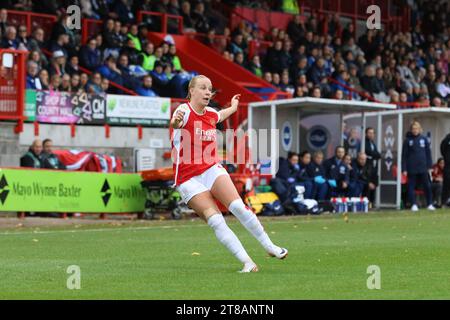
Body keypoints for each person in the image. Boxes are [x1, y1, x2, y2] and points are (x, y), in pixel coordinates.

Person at [171, 75, 287, 273]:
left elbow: (220, 115)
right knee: (216, 220)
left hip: (210, 168)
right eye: (203, 88)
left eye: (210, 89)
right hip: (188, 178)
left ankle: (269, 246)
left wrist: (233, 108)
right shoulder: (184, 110)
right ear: (191, 91)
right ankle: (247, 262)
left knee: (238, 207)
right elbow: (176, 122)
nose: (208, 92)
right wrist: (176, 121)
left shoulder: (210, 114)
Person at [401, 121, 435, 211]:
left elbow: (428, 154)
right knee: (411, 186)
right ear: (411, 130)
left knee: (427, 185)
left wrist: (429, 166)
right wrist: (404, 168)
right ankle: (413, 204)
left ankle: (430, 204)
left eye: (416, 128)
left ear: (420, 129)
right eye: (413, 129)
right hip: (412, 168)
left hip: (423, 167)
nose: (415, 130)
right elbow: (404, 156)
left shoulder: (424, 139)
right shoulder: (407, 141)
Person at [440, 133, 450, 207]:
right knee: (446, 184)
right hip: (448, 165)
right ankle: (443, 202)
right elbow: (442, 148)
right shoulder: (447, 138)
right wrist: (447, 157)